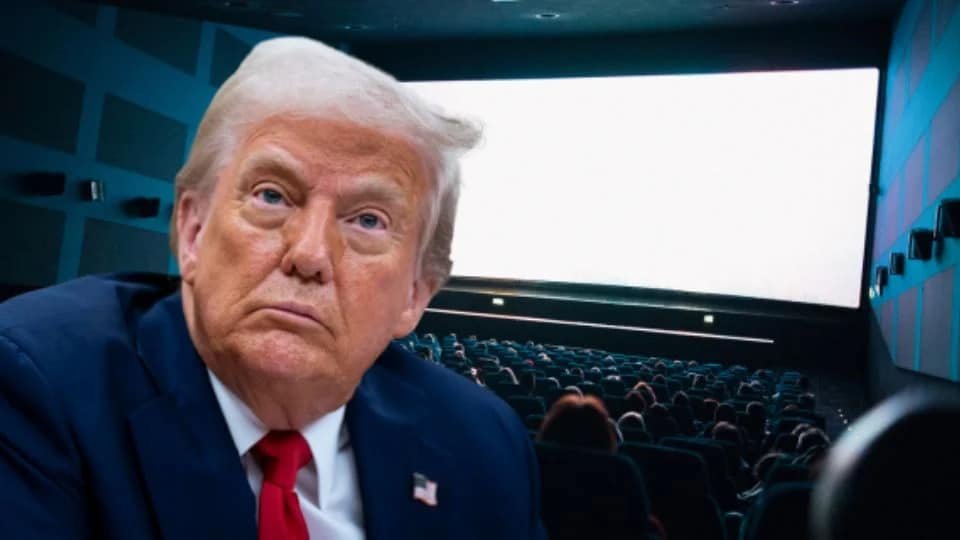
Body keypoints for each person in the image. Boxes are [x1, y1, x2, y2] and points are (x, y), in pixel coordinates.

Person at [0, 37, 546, 540]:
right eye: (272, 196)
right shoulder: (36, 385)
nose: (309, 255)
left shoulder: (484, 445)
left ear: (415, 295)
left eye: (368, 221)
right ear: (192, 232)